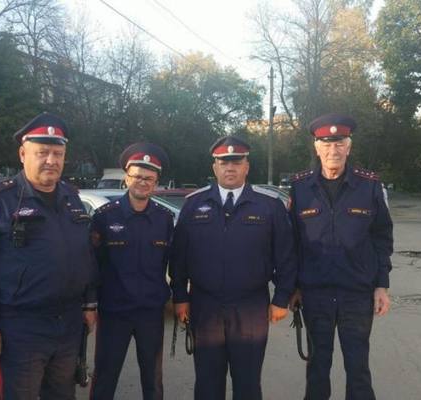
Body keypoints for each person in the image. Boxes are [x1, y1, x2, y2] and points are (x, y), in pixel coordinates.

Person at [0, 112, 98, 400]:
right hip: (21, 327)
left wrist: (89, 303)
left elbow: (84, 255)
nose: (51, 160)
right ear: (23, 154)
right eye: (42, 152)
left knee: (62, 395)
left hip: (68, 323)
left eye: (58, 154)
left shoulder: (71, 198)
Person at [169, 136, 297, 400]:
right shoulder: (193, 205)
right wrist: (180, 296)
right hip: (205, 306)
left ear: (246, 167)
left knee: (248, 382)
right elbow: (179, 257)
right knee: (207, 383)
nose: (230, 168)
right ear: (214, 167)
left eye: (236, 162)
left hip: (250, 308)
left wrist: (281, 298)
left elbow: (286, 255)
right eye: (223, 162)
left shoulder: (269, 205)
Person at [289, 114, 394, 400]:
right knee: (317, 368)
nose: (333, 151)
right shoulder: (300, 188)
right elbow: (292, 242)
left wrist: (381, 285)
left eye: (339, 144)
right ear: (317, 148)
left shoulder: (369, 186)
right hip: (315, 294)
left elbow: (382, 237)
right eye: (326, 144)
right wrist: (292, 286)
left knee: (358, 368)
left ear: (349, 147)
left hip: (357, 293)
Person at [89, 143, 174, 400]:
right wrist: (89, 304)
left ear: (156, 182)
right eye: (137, 176)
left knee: (153, 379)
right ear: (126, 178)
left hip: (151, 313)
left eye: (149, 178)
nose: (142, 182)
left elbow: (170, 263)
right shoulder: (105, 217)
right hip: (114, 312)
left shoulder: (164, 219)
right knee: (105, 377)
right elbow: (92, 265)